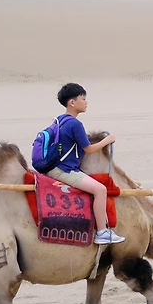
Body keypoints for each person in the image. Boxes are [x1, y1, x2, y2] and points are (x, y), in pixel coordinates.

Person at [49, 83, 124, 245]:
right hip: (63, 170)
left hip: (54, 167)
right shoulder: (75, 124)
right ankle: (102, 233)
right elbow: (89, 149)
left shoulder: (58, 120)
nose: (86, 102)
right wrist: (107, 140)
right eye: (83, 99)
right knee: (100, 190)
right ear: (72, 102)